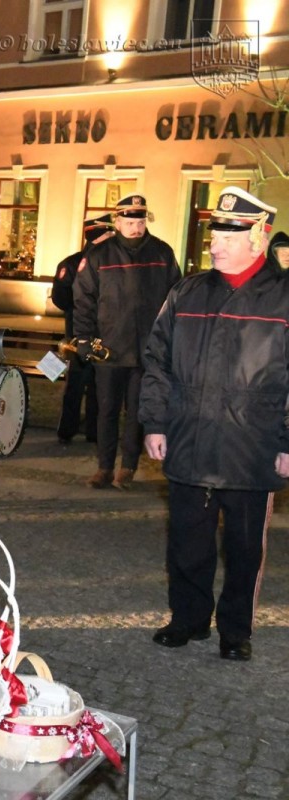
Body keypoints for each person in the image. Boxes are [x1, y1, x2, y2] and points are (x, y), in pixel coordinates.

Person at [140, 187, 288, 663]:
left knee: (245, 548)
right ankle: (188, 619)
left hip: (254, 444)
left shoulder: (284, 298)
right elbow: (157, 360)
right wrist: (155, 421)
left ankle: (235, 629)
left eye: (228, 234)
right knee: (187, 540)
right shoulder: (187, 291)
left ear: (258, 238)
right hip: (189, 437)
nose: (215, 243)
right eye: (214, 233)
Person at [74, 194, 180, 490]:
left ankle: (128, 467)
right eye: (130, 222)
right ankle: (104, 467)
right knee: (106, 410)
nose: (136, 227)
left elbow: (176, 298)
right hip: (109, 348)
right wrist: (83, 338)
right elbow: (83, 299)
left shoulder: (162, 253)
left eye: (141, 221)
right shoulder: (99, 255)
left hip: (149, 349)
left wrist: (171, 337)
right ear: (117, 222)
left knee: (137, 411)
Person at [52, 214, 112, 444]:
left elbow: (60, 298)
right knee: (95, 386)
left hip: (78, 332)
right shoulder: (105, 263)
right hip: (97, 333)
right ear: (100, 234)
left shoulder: (70, 262)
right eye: (108, 233)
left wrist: (75, 313)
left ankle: (67, 430)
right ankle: (93, 432)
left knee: (76, 385)